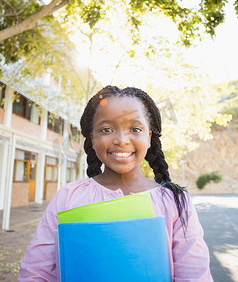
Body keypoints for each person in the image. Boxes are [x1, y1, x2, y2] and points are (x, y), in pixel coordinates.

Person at [19, 86, 213, 281]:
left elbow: (194, 274)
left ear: (149, 138)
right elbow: (36, 273)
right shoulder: (68, 197)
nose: (121, 140)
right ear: (93, 139)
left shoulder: (175, 202)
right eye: (106, 130)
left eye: (135, 129)